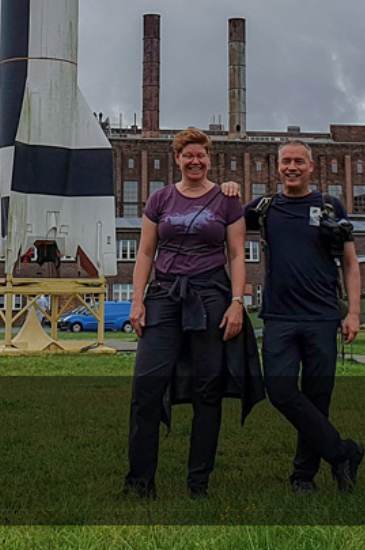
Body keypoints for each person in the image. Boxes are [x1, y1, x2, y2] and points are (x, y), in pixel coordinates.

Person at [124, 127, 249, 498]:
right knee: (146, 389)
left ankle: (198, 483)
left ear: (209, 158)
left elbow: (238, 254)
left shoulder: (227, 200)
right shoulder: (159, 199)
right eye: (187, 155)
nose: (195, 161)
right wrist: (137, 300)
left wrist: (237, 302)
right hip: (164, 296)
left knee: (207, 391)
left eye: (201, 155)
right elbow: (145, 252)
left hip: (210, 298)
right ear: (176, 159)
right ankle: (139, 483)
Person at [250, 139, 365, 494]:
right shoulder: (264, 208)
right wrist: (227, 189)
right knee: (281, 391)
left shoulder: (330, 206)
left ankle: (303, 477)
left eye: (299, 161)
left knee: (317, 398)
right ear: (278, 166)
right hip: (279, 318)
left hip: (321, 317)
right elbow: (225, 223)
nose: (292, 167)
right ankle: (343, 452)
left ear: (311, 167)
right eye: (286, 162)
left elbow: (350, 263)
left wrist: (354, 314)